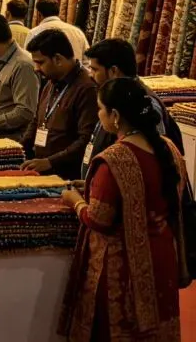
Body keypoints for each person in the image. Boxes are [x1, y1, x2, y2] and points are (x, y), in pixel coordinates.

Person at [58, 77, 187, 342]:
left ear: (115, 116)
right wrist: (93, 184)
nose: (98, 114)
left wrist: (74, 201)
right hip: (162, 257)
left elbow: (99, 219)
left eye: (100, 109)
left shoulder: (115, 159)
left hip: (122, 268)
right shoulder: (169, 148)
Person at [82, 38, 182, 178]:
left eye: (94, 69)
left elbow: (153, 158)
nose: (90, 74)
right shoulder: (114, 96)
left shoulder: (144, 102)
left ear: (113, 71)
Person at [20, 29, 98, 180]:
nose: (36, 68)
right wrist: (18, 149)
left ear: (58, 59)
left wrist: (50, 162)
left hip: (66, 177)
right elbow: (37, 121)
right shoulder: (50, 83)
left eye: (40, 62)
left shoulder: (87, 88)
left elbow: (86, 139)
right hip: (41, 171)